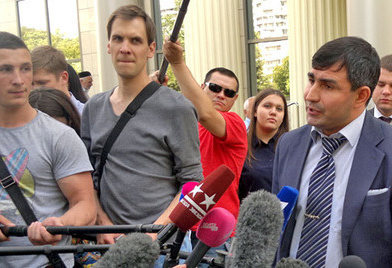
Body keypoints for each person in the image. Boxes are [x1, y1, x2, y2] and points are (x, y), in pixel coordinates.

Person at [273, 36, 392, 267]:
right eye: (311, 80)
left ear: (361, 96)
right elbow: (276, 232)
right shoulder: (289, 144)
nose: (311, 95)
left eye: (327, 86)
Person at [0, 31, 96, 267]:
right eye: (5, 69)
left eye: (25, 68)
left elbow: (86, 205)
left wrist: (59, 225)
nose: (19, 79)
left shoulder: (59, 136)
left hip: (47, 263)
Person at [80, 4, 203, 258]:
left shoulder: (177, 107)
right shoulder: (93, 108)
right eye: (118, 38)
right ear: (108, 46)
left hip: (162, 248)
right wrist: (103, 224)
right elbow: (87, 177)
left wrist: (155, 232)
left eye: (135, 40)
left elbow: (192, 183)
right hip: (110, 246)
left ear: (150, 49)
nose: (125, 48)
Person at [163, 41, 248, 265]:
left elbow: (206, 114)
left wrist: (177, 63)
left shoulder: (235, 123)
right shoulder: (186, 122)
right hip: (175, 226)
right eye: (214, 88)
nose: (221, 95)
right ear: (202, 87)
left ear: (235, 99)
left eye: (229, 92)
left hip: (214, 232)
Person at [238, 88, 289, 200]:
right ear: (255, 111)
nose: (273, 112)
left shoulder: (292, 149)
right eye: (267, 106)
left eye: (279, 109)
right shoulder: (240, 147)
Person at [31, 45, 85, 114]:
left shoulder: (89, 118)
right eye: (31, 84)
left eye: (42, 83)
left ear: (64, 78)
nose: (35, 89)